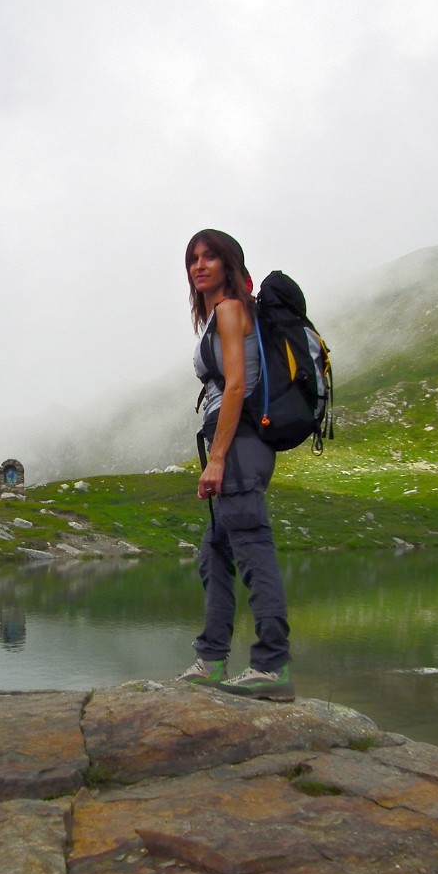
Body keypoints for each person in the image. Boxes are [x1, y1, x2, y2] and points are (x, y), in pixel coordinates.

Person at [176, 229, 294, 701]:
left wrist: (217, 459)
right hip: (238, 445)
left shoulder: (229, 311)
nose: (199, 266)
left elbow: (239, 384)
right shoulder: (222, 315)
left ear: (229, 265)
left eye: (210, 257)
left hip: (240, 445)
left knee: (251, 550)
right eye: (192, 259)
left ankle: (272, 667)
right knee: (215, 553)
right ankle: (212, 660)